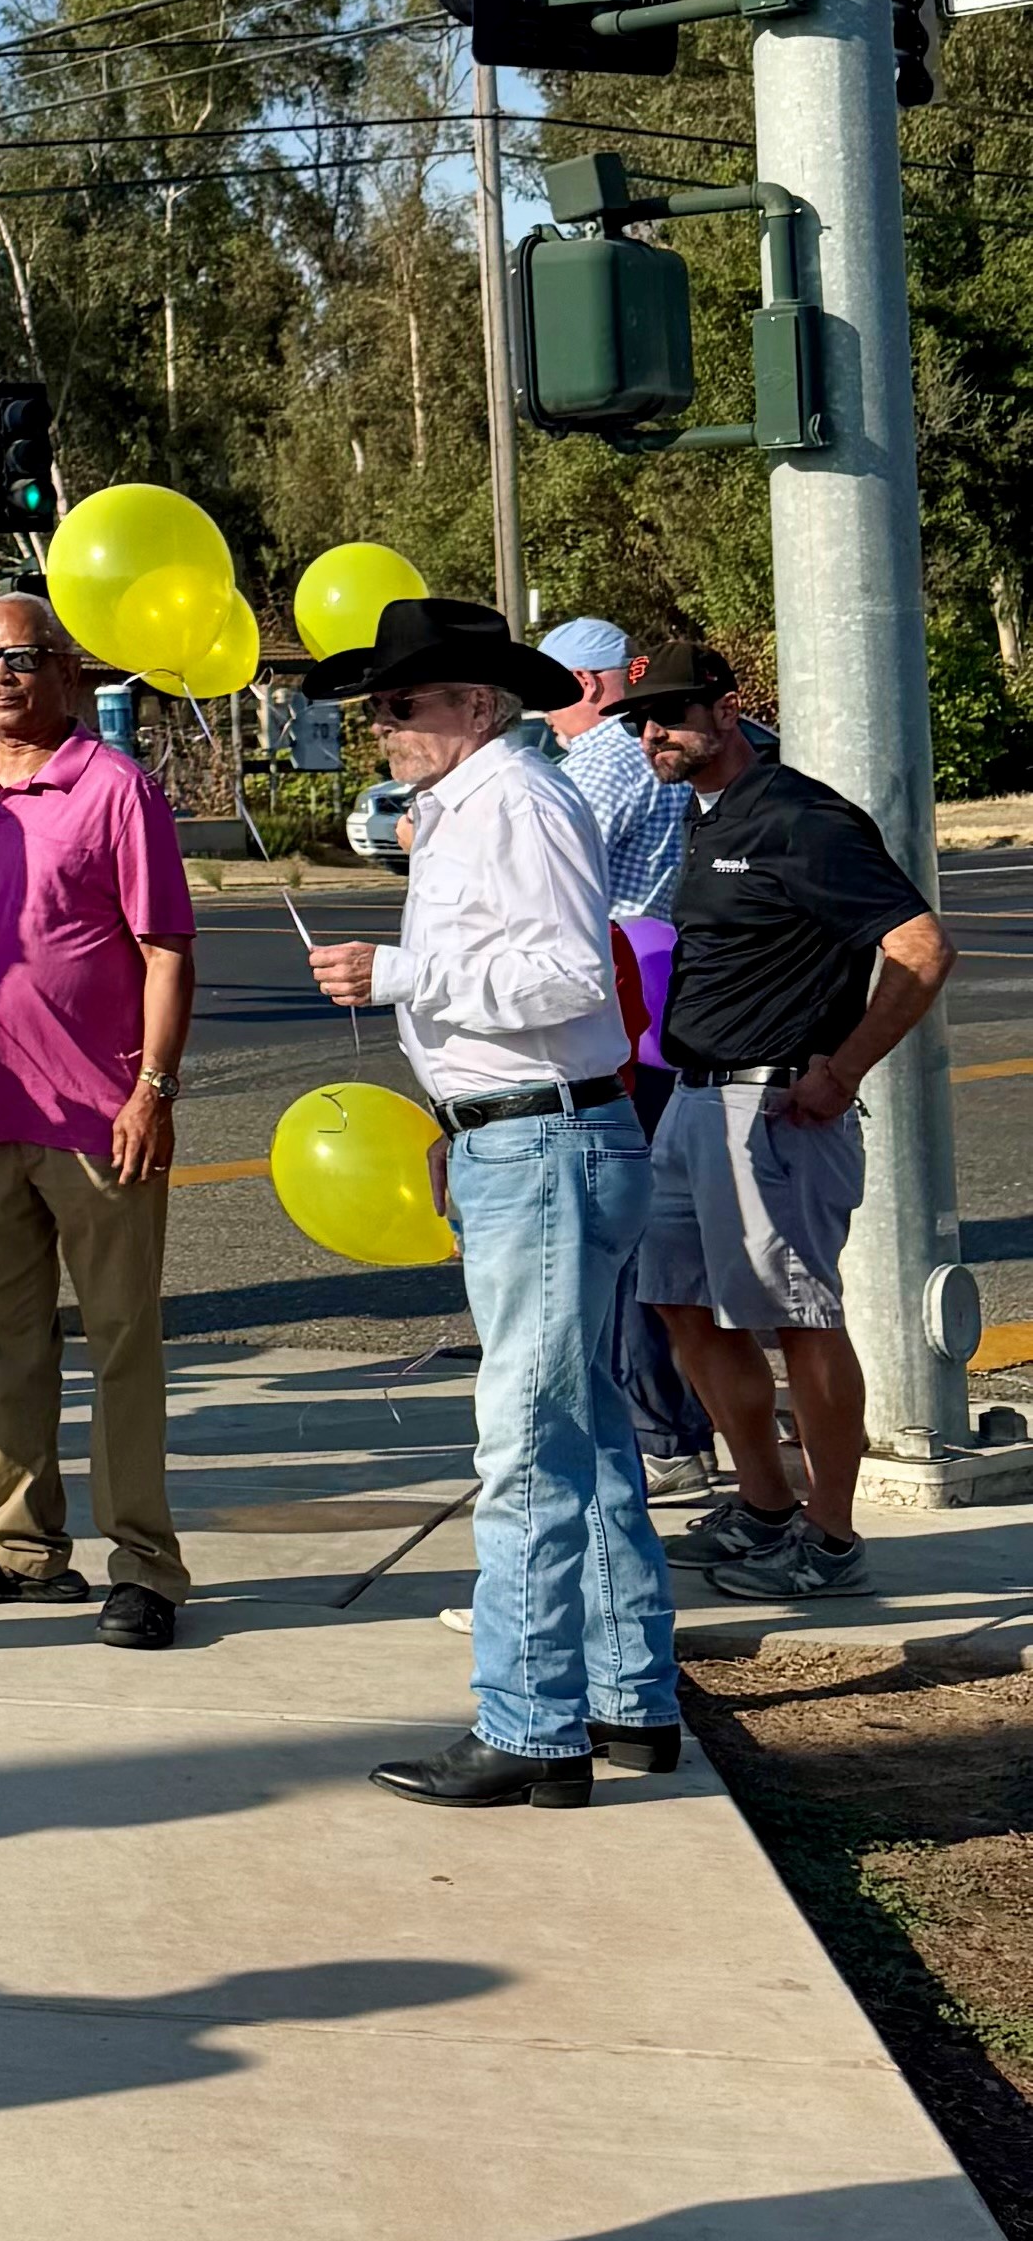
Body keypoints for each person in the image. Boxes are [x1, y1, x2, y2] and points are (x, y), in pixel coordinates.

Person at [303, 600, 684, 1806]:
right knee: (585, 1424)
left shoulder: (517, 798)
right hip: (528, 1132)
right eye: (377, 705)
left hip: (545, 1140)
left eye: (401, 702)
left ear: (475, 703)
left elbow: (572, 974)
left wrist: (400, 971)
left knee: (525, 1439)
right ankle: (628, 1696)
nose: (382, 722)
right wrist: (457, 1114)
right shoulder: (476, 801)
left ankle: (530, 1724)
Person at [0, 594, 196, 1647]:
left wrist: (154, 1089)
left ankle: (144, 1565)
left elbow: (166, 951)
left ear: (66, 670)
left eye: (19, 657)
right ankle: (20, 1546)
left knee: (121, 1342)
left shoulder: (117, 790)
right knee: (6, 1336)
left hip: (101, 1119)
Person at [629, 640, 955, 1604]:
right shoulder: (707, 816)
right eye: (642, 719)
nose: (654, 733)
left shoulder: (802, 817)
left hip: (774, 1112)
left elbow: (922, 947)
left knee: (801, 1321)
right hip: (692, 1102)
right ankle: (765, 1506)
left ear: (728, 711)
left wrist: (842, 1069)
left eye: (673, 714)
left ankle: (833, 1535)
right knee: (681, 1305)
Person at [536, 610, 711, 1477]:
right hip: (660, 985)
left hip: (619, 994)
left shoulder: (600, 762)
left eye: (546, 688)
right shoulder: (653, 753)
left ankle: (658, 1429)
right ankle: (671, 1420)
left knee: (616, 1224)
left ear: (584, 683)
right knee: (650, 1214)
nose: (540, 710)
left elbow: (554, 879)